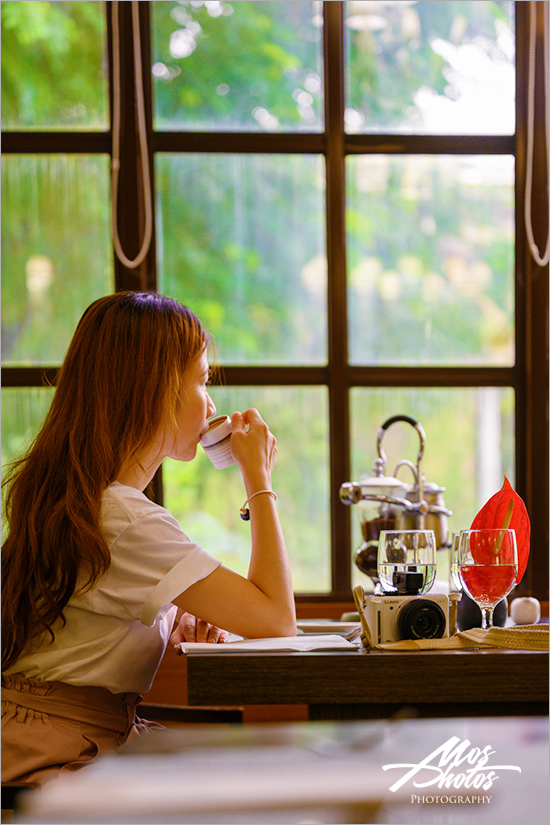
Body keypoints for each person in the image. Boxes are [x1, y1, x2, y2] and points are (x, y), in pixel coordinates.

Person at [1, 291, 295, 786]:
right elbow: (277, 618)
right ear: (155, 388)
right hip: (55, 752)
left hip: (54, 735)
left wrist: (171, 616)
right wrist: (258, 480)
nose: (212, 402)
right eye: (202, 380)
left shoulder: (96, 502)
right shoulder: (124, 517)